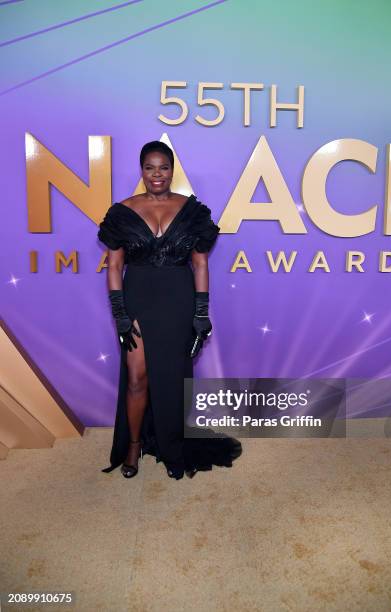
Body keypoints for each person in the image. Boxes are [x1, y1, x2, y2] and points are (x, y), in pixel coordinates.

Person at [98, 141, 242, 480]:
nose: (157, 174)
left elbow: (200, 264)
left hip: (178, 301)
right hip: (138, 301)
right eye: (150, 167)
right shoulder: (122, 212)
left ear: (172, 170)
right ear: (142, 171)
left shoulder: (192, 212)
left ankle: (171, 442)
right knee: (137, 377)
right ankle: (133, 445)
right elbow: (115, 266)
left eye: (163, 167)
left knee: (174, 379)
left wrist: (201, 313)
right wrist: (120, 313)